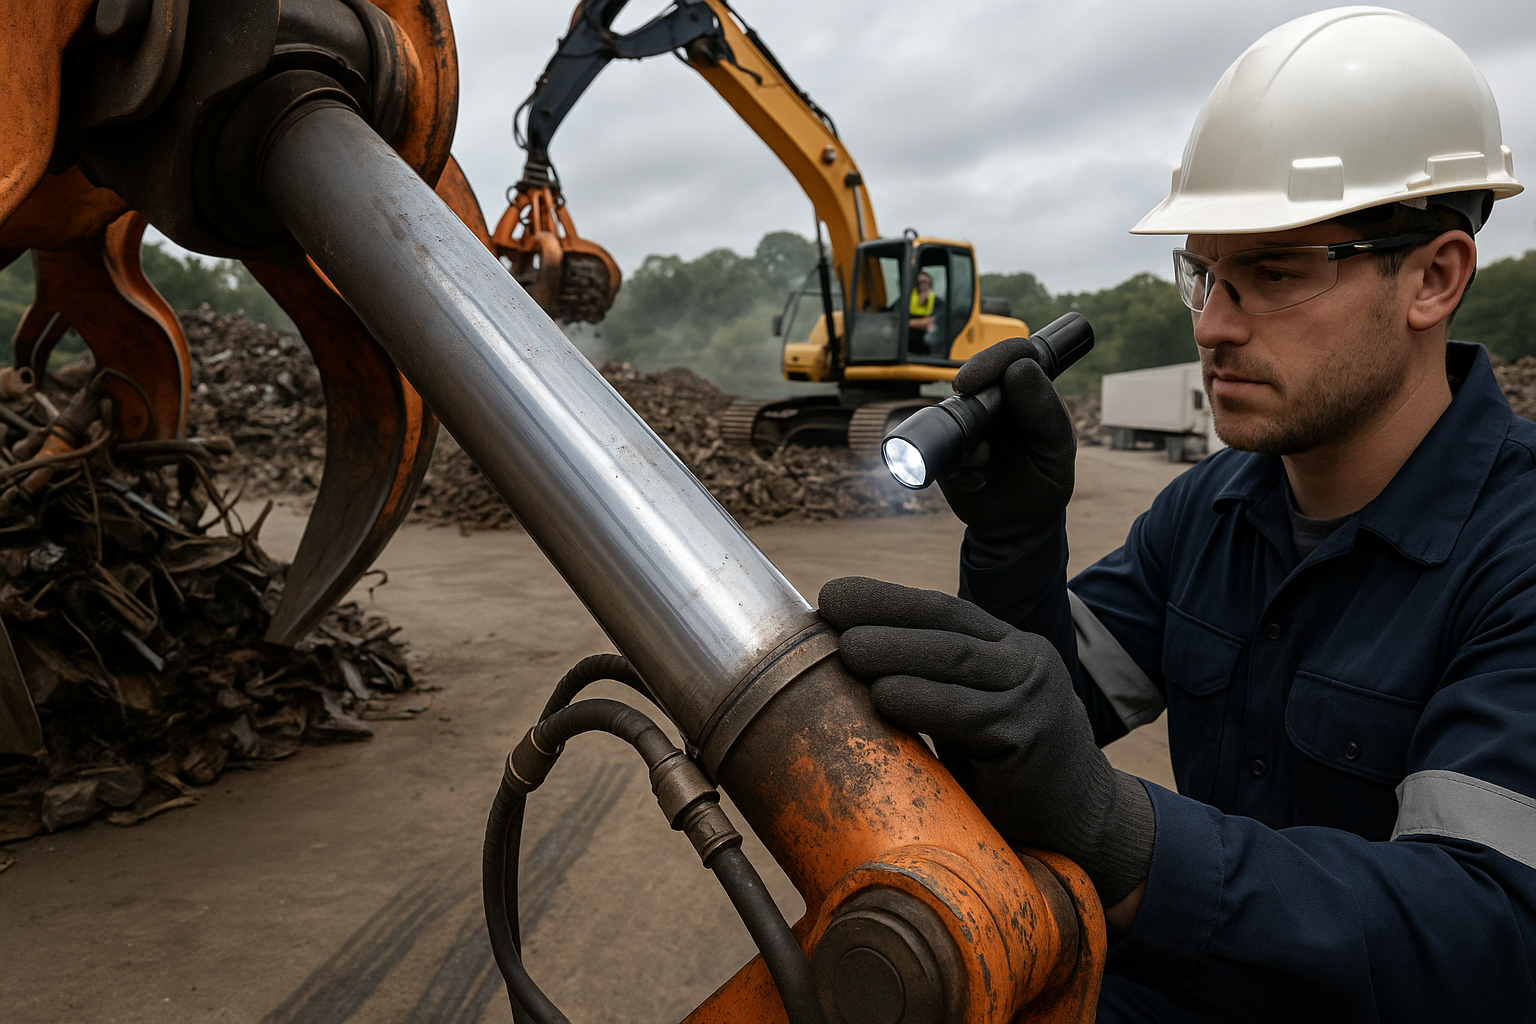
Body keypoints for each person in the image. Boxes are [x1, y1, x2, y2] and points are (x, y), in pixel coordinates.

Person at [820, 8, 1531, 1021]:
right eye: (1204, 272)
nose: (1211, 326)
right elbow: (1042, 730)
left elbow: (1487, 933)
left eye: (1275, 273)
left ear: (1434, 277)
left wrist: (1130, 837)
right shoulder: (1211, 511)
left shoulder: (1518, 554)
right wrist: (1016, 547)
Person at [908, 270, 941, 354]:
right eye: (920, 282)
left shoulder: (937, 302)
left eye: (925, 282)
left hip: (929, 347)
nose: (923, 286)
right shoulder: (906, 300)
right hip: (909, 346)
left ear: (930, 285)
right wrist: (919, 323)